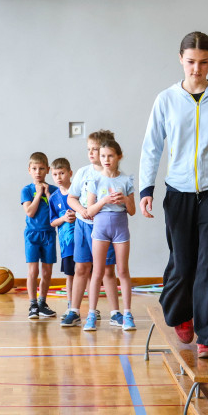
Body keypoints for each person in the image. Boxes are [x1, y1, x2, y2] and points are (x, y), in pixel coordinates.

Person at [139, 31, 208, 359]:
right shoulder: (166, 100)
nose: (196, 69)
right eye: (191, 62)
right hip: (179, 193)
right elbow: (151, 147)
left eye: (203, 63)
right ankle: (180, 315)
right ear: (181, 60)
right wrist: (147, 188)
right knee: (182, 263)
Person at [63, 131, 122, 328]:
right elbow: (71, 197)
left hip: (105, 228)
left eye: (95, 149)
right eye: (88, 149)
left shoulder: (114, 177)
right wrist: (82, 210)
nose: (91, 153)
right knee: (81, 268)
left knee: (107, 270)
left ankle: (115, 313)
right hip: (83, 226)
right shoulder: (83, 173)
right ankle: (74, 310)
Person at [82, 139, 136, 332]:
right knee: (97, 272)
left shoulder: (126, 180)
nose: (106, 159)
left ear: (118, 157)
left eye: (110, 155)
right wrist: (104, 200)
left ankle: (127, 314)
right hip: (101, 228)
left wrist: (124, 200)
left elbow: (132, 211)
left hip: (120, 227)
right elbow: (89, 210)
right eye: (103, 155)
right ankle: (91, 314)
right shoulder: (95, 180)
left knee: (122, 271)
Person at [21, 152, 58, 320]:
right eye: (34, 168)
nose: (38, 172)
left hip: (49, 234)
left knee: (47, 271)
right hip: (32, 235)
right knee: (33, 271)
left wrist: (48, 194)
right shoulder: (27, 190)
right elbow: (29, 212)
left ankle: (43, 303)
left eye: (42, 168)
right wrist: (38, 194)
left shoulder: (54, 189)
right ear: (29, 170)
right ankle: (33, 304)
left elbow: (58, 211)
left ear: (47, 170)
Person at [48, 158, 76, 313]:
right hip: (67, 246)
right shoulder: (54, 198)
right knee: (70, 275)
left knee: (88, 275)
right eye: (55, 174)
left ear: (70, 173)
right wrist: (64, 219)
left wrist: (77, 215)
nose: (58, 177)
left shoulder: (78, 193)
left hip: (83, 242)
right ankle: (70, 305)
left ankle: (93, 307)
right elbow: (52, 222)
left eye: (62, 173)